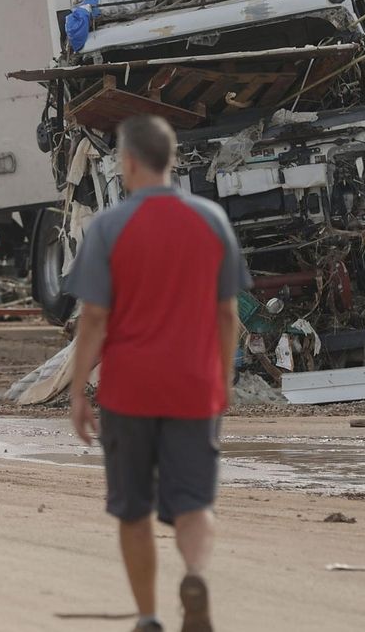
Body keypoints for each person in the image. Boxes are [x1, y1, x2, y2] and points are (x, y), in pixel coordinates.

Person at [67, 115, 249, 632]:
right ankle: (194, 574)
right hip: (195, 387)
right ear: (172, 159)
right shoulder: (212, 221)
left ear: (126, 163)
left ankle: (148, 617)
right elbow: (227, 314)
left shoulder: (107, 227)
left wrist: (79, 389)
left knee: (133, 510)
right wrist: (223, 384)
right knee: (193, 503)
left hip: (129, 391)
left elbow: (95, 319)